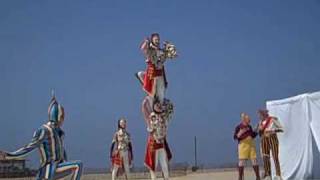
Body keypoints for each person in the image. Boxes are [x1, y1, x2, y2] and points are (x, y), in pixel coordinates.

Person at [0, 94, 83, 180]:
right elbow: (29, 147)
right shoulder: (44, 130)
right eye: (62, 116)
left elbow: (61, 150)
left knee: (76, 166)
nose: (63, 119)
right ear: (58, 116)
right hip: (48, 169)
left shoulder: (58, 133)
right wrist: (9, 155)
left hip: (57, 167)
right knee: (78, 165)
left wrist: (65, 160)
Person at [136, 33, 177, 103]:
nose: (157, 41)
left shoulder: (161, 51)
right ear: (152, 40)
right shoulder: (150, 50)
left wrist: (169, 48)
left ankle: (160, 104)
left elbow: (172, 55)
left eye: (158, 39)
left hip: (160, 74)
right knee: (152, 92)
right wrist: (146, 41)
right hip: (152, 74)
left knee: (161, 95)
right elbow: (143, 48)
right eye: (155, 39)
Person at [144, 100, 173, 180]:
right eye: (157, 105)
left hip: (161, 143)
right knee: (154, 164)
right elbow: (146, 114)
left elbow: (169, 115)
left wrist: (168, 107)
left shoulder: (163, 116)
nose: (159, 106)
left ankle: (166, 178)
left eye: (160, 105)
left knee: (164, 164)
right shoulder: (152, 116)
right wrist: (145, 104)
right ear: (154, 106)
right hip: (154, 143)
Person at [258, 109, 284, 180]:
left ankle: (278, 174)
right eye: (259, 115)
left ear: (265, 114)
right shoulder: (260, 122)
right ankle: (267, 174)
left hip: (272, 138)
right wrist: (259, 130)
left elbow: (281, 128)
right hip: (264, 139)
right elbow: (260, 134)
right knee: (265, 157)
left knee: (275, 156)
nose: (260, 116)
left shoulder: (272, 120)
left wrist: (272, 130)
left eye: (261, 114)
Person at [234, 113, 260, 180]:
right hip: (243, 145)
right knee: (241, 161)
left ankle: (258, 177)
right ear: (244, 119)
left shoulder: (249, 126)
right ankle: (240, 177)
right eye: (248, 119)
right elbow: (235, 137)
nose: (249, 120)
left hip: (251, 144)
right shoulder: (238, 127)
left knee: (254, 160)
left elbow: (252, 135)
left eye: (249, 119)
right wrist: (240, 133)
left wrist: (256, 130)